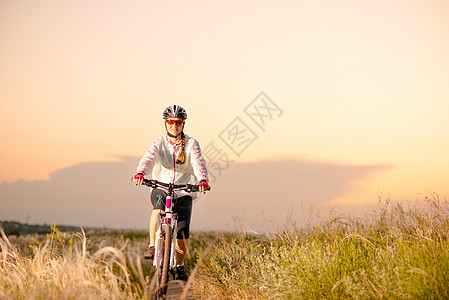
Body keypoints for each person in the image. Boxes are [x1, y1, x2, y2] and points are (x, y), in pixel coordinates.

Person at [132, 105, 209, 281]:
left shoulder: (191, 144)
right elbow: (149, 158)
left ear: (183, 124)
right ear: (166, 124)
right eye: (171, 122)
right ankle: (152, 246)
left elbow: (198, 163)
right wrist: (141, 173)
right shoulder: (158, 143)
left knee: (182, 230)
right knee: (157, 207)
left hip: (184, 190)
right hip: (161, 186)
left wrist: (202, 180)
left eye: (179, 122)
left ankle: (179, 267)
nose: (175, 125)